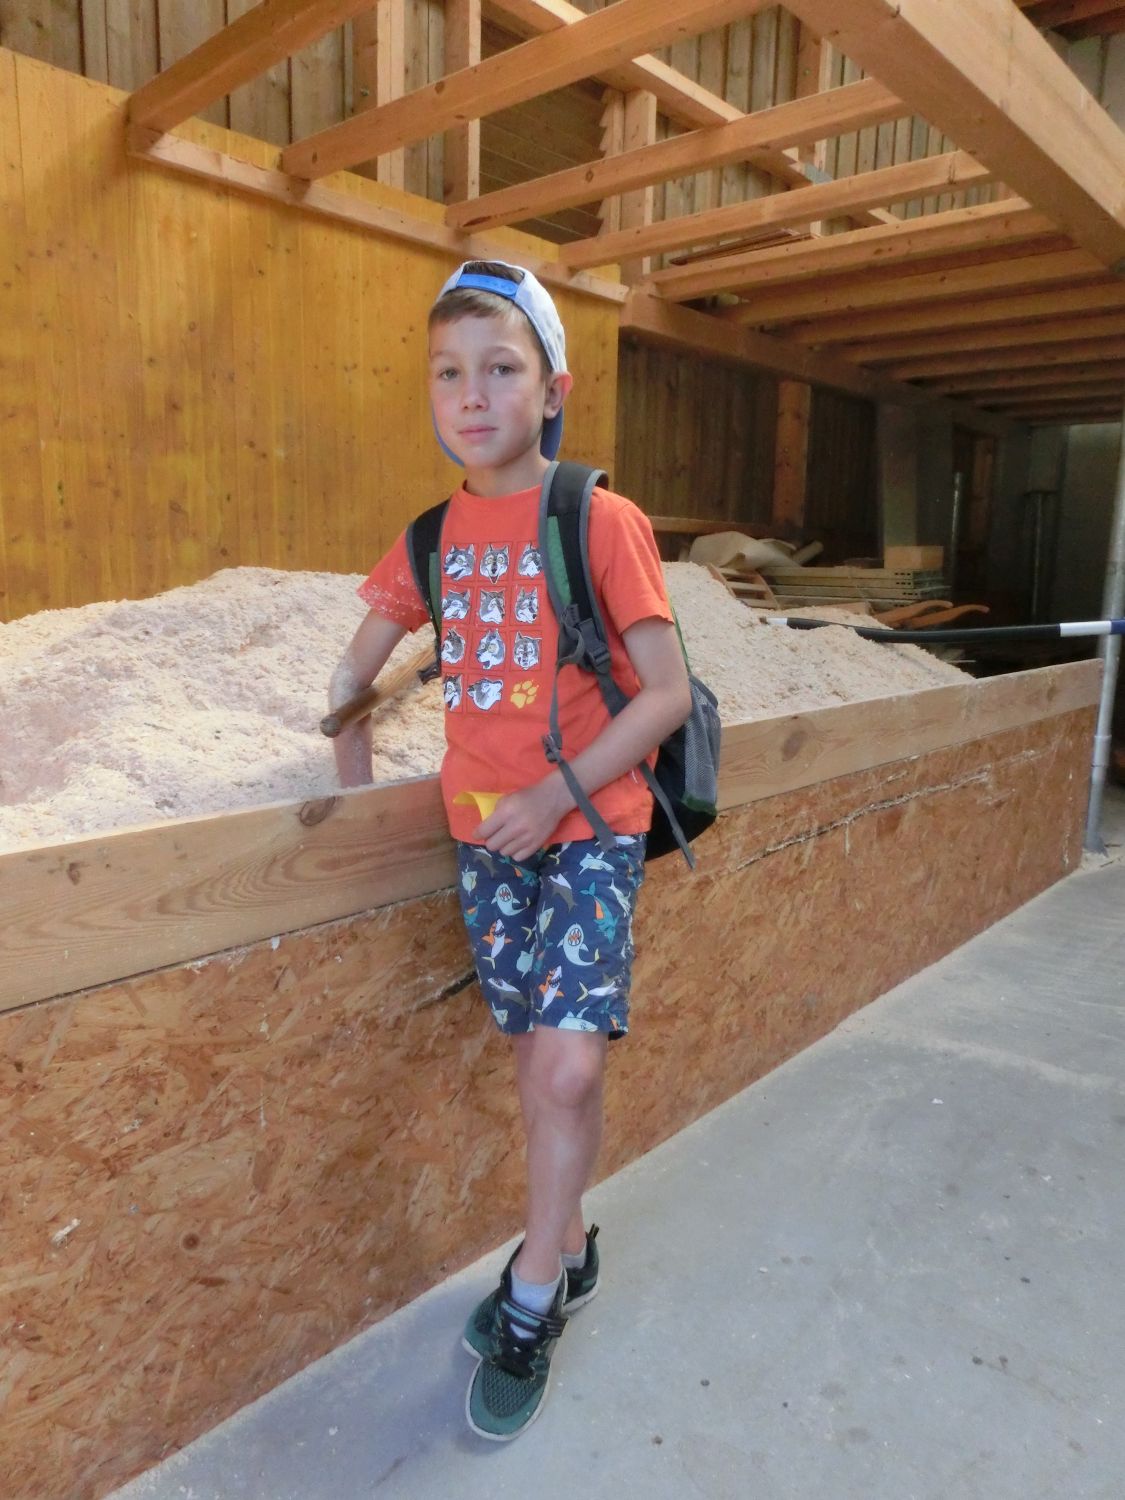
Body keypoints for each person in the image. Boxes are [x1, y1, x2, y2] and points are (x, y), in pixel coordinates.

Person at [328, 259, 691, 1441]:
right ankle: (570, 1240)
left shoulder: (599, 519)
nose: (472, 395)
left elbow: (667, 693)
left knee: (569, 1071)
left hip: (589, 824)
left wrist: (556, 792)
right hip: (485, 843)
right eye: (448, 373)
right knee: (538, 1065)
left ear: (552, 389)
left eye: (500, 368)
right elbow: (353, 674)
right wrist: (349, 770)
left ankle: (532, 1293)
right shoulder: (431, 537)